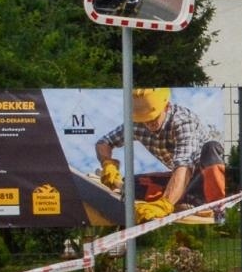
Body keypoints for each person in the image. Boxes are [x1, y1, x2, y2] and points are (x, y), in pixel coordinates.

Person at [95, 88, 227, 223]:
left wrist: (165, 204)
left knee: (212, 147)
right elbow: (104, 142)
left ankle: (214, 207)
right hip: (180, 177)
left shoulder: (183, 122)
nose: (149, 122)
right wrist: (107, 163)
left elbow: (184, 166)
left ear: (166, 106)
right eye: (144, 119)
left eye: (154, 117)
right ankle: (183, 200)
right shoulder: (137, 123)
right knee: (132, 184)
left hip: (203, 177)